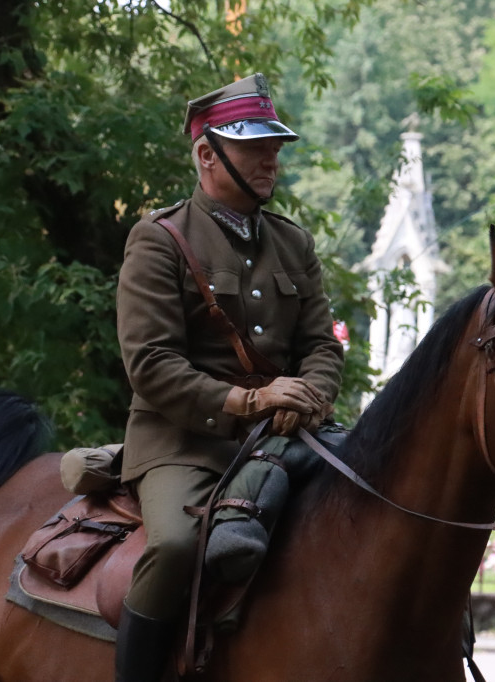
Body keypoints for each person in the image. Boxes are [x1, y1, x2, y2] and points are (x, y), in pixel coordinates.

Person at [114, 73, 345, 682]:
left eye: (274, 145)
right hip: (184, 444)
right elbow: (151, 365)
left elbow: (322, 346)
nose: (272, 157)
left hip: (285, 436)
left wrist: (311, 397)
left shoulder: (294, 243)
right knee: (175, 549)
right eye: (253, 145)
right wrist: (250, 399)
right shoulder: (159, 240)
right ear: (207, 154)